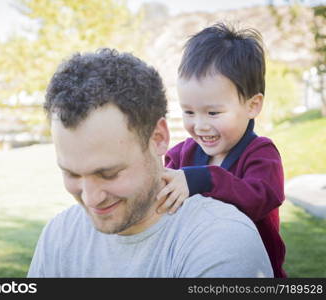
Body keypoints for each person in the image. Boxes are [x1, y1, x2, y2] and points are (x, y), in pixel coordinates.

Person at [27, 48, 273, 277]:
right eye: (71, 174)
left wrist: (202, 178)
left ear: (158, 138)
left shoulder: (222, 242)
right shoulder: (58, 236)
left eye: (109, 174)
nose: (91, 199)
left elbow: (261, 194)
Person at [155, 23, 286, 278]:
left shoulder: (262, 154)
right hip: (197, 264)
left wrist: (201, 179)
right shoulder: (182, 155)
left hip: (251, 271)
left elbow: (257, 200)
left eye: (213, 112)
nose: (200, 125)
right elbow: (161, 194)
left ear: (253, 105)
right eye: (189, 112)